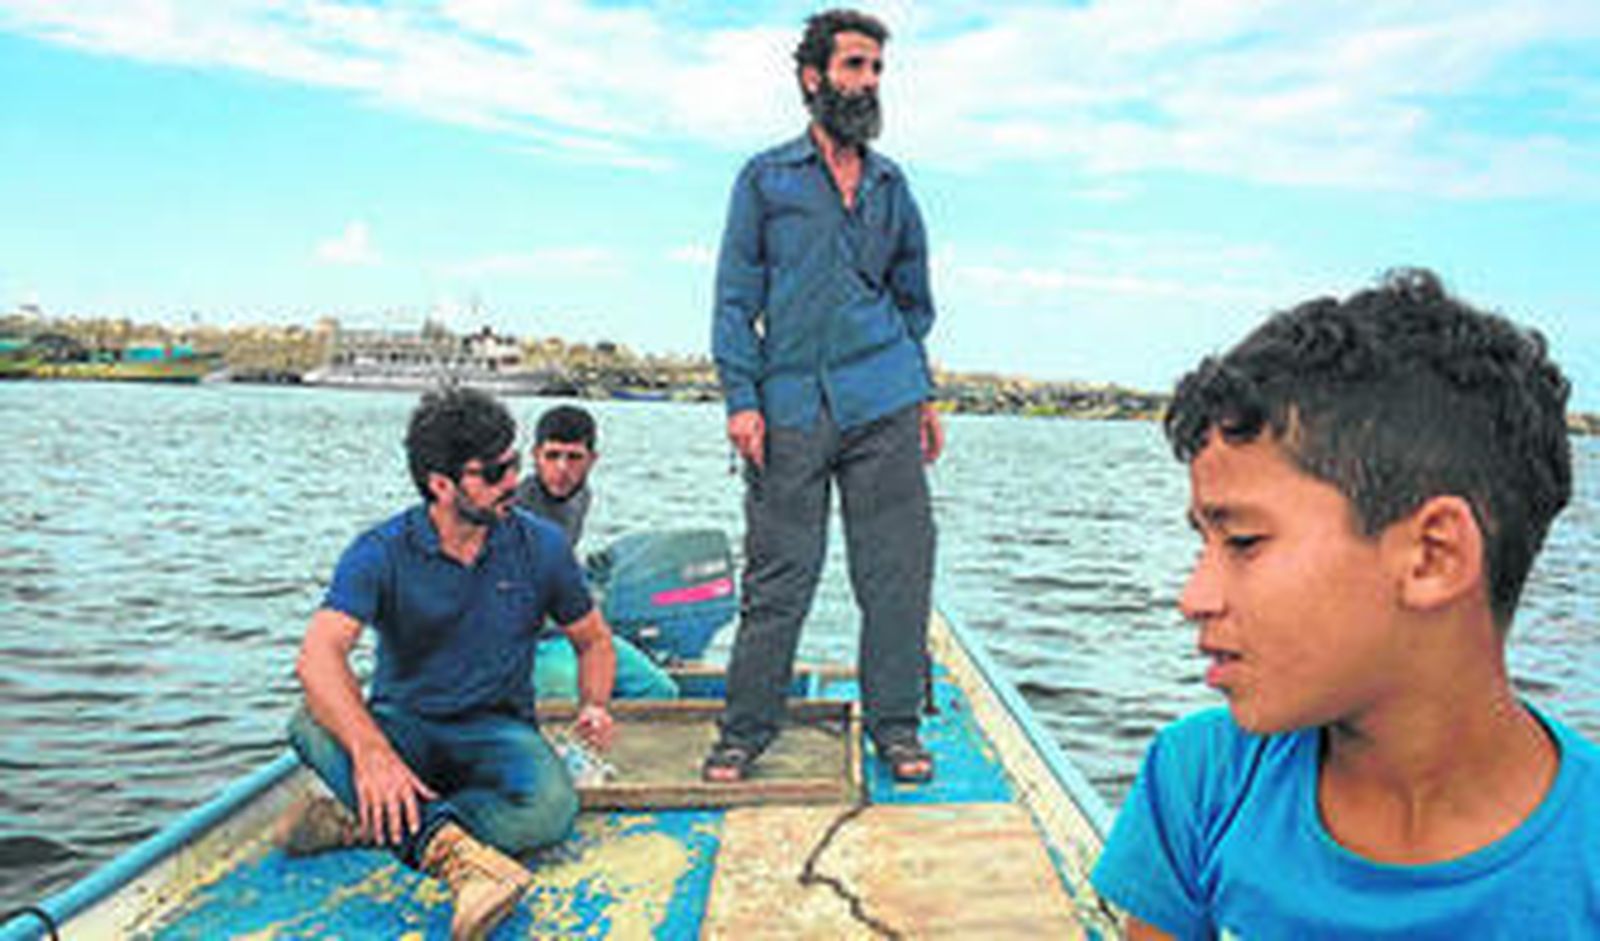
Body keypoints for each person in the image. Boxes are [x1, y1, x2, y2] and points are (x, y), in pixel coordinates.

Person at [1091, 270, 1600, 938]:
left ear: (1432, 556)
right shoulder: (1203, 780)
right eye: (1203, 542)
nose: (1193, 597)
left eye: (1243, 541)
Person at [280, 386, 617, 941]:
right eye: (494, 472)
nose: (513, 480)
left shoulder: (542, 546)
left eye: (512, 463)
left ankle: (370, 824)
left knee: (552, 811)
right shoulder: (380, 550)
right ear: (441, 484)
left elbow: (594, 641)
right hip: (405, 727)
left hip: (498, 729)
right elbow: (318, 655)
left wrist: (595, 704)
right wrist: (371, 753)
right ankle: (456, 858)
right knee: (308, 723)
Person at [705, 8, 943, 784]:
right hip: (789, 409)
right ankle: (744, 730)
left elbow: (912, 298)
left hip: (885, 400)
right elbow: (735, 299)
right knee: (780, 575)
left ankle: (897, 728)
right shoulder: (765, 179)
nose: (867, 82)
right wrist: (742, 397)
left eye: (875, 69)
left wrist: (922, 393)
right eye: (854, 66)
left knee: (897, 571)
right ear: (814, 78)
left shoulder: (891, 184)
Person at [516, 404, 678, 700]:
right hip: (529, 643)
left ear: (592, 460)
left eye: (574, 457)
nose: (562, 468)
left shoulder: (580, 497)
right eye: (552, 456)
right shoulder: (516, 509)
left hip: (572, 632)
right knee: (568, 691)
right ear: (535, 456)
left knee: (658, 689)